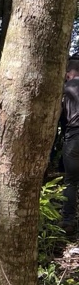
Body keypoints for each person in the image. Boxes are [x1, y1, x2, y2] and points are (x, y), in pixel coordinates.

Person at [61, 57, 79, 235]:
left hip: (73, 137)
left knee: (71, 182)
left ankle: (68, 222)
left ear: (68, 74)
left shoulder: (65, 89)